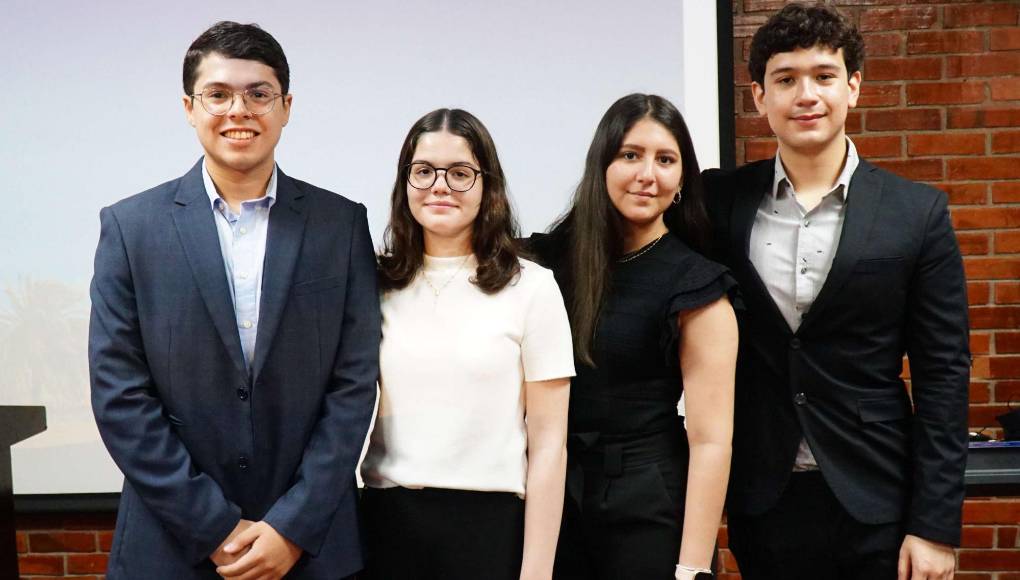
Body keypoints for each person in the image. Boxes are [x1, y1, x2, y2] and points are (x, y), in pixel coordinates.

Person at [88, 22, 379, 579]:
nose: (238, 110)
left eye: (258, 93)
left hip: (310, 546)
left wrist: (292, 525)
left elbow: (353, 384)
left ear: (286, 106)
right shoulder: (131, 228)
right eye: (218, 94)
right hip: (171, 546)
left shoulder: (340, 225)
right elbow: (119, 394)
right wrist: (213, 526)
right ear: (189, 107)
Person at [703, 4, 970, 580]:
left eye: (824, 76)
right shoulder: (717, 203)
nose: (806, 95)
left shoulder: (915, 213)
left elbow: (944, 374)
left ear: (853, 87)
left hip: (878, 499)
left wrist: (936, 525)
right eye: (786, 79)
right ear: (759, 97)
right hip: (762, 497)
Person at [529, 93, 738, 580]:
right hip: (552, 499)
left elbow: (711, 441)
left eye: (666, 160)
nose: (648, 174)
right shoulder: (545, 263)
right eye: (630, 155)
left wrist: (691, 569)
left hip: (647, 509)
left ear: (683, 179)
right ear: (601, 163)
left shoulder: (697, 285)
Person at [360, 108, 575, 580]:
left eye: (460, 173)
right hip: (386, 524)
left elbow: (549, 445)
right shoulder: (373, 283)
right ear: (405, 184)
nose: (440, 185)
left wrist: (537, 571)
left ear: (488, 186)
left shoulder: (533, 287)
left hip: (490, 528)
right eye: (424, 171)